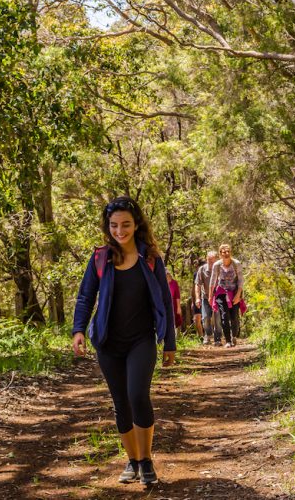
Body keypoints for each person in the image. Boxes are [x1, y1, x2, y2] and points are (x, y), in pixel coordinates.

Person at [71, 196, 176, 486]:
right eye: (114, 225)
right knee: (121, 403)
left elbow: (165, 302)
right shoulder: (100, 258)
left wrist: (169, 342)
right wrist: (78, 330)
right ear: (108, 227)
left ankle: (147, 460)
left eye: (126, 224)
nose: (120, 231)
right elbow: (85, 296)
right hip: (107, 343)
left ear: (136, 224)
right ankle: (132, 461)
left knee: (138, 396)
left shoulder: (151, 258)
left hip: (141, 340)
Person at [208, 243, 245, 347]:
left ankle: (234, 336)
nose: (227, 254)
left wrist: (238, 295)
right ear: (220, 254)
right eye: (224, 252)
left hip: (234, 292)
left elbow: (241, 280)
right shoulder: (217, 265)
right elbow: (213, 280)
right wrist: (211, 296)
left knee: (234, 317)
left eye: (228, 251)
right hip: (222, 292)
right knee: (224, 316)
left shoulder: (236, 263)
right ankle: (228, 340)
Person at [194, 251, 218, 345]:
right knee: (205, 317)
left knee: (218, 319)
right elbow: (197, 284)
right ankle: (208, 335)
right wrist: (197, 298)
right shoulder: (202, 269)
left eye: (212, 261)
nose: (210, 263)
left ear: (216, 260)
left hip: (218, 297)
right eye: (209, 260)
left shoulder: (220, 268)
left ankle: (218, 338)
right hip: (205, 297)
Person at [191, 259, 205, 340]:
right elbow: (193, 288)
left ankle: (208, 335)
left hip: (206, 298)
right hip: (197, 298)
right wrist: (193, 301)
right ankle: (201, 336)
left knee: (207, 318)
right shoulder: (195, 274)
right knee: (197, 318)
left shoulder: (210, 273)